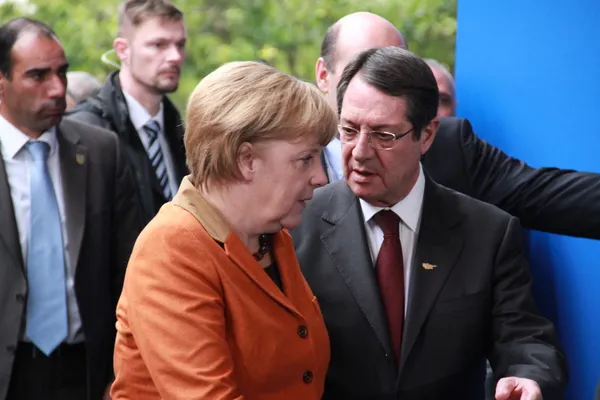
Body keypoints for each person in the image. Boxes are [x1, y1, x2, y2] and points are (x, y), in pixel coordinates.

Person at [292, 46, 567, 400]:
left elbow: (523, 338)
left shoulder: (488, 232)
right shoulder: (299, 223)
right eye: (348, 129)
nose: (359, 151)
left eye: (383, 135)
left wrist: (528, 376)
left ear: (427, 135)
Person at [110, 61, 336, 399]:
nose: (322, 177)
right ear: (246, 160)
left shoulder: (271, 236)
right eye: (305, 159)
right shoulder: (172, 246)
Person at [317, 12, 600, 240]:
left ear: (426, 135)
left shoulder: (451, 148)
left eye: (394, 69)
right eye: (364, 70)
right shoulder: (285, 149)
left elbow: (547, 196)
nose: (378, 85)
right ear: (323, 75)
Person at [0, 18, 141, 400]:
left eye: (61, 73)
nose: (58, 89)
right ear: (2, 80)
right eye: (37, 76)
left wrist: (126, 369)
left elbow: (131, 270)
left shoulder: (101, 152)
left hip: (89, 371)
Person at [67, 0, 187, 225]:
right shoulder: (87, 130)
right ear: (122, 50)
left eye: (180, 45)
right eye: (159, 45)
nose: (175, 56)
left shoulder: (180, 130)